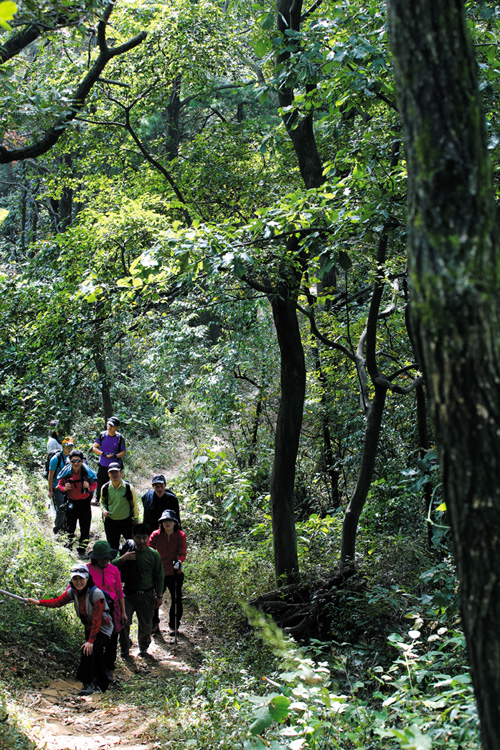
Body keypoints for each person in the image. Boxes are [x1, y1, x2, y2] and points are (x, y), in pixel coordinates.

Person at [27, 564, 114, 696]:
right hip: (89, 627)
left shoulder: (96, 594)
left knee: (90, 651)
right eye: (75, 579)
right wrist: (39, 602)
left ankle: (90, 683)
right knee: (95, 653)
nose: (78, 582)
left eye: (81, 579)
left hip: (103, 629)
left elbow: (97, 620)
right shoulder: (73, 592)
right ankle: (100, 683)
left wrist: (90, 641)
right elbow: (57, 602)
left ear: (87, 578)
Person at [112, 523, 164, 658]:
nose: (141, 541)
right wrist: (124, 558)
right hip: (127, 594)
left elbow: (159, 575)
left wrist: (159, 595)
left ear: (148, 538)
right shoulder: (126, 551)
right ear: (133, 537)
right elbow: (110, 567)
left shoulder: (153, 555)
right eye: (138, 537)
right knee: (124, 622)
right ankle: (124, 648)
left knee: (146, 625)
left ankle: (143, 649)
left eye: (144, 538)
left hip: (146, 595)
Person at [87, 540, 127, 683]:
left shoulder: (114, 570)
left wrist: (123, 612)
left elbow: (119, 591)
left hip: (112, 609)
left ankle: (109, 669)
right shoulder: (87, 570)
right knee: (94, 641)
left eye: (107, 557)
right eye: (102, 558)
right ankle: (95, 670)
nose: (105, 560)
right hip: (94, 611)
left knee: (111, 640)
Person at [148, 509, 186, 635]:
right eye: (165, 521)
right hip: (158, 573)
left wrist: (179, 561)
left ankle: (174, 625)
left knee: (176, 600)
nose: (168, 523)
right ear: (161, 523)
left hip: (175, 572)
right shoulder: (156, 535)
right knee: (155, 598)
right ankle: (154, 624)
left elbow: (182, 553)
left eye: (170, 521)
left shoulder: (180, 535)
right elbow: (149, 549)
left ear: (175, 523)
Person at [57, 450, 97, 555]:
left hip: (84, 503)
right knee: (70, 527)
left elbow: (95, 484)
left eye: (78, 461)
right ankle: (68, 547)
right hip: (71, 503)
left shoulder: (86, 473)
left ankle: (82, 550)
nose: (76, 463)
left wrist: (88, 487)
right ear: (70, 461)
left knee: (85, 527)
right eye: (73, 461)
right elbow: (59, 485)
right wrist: (64, 488)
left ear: (82, 461)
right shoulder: (66, 473)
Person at [101, 463, 139, 550]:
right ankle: (115, 563)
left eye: (116, 472)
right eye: (112, 472)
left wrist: (136, 519)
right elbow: (102, 501)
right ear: (108, 474)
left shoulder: (129, 488)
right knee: (112, 547)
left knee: (132, 546)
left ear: (121, 473)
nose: (114, 475)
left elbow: (134, 505)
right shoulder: (105, 488)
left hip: (127, 522)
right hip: (111, 522)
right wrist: (103, 510)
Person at [92, 416, 127, 504]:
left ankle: (115, 498)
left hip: (115, 466)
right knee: (100, 482)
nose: (109, 427)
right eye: (108, 424)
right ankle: (98, 498)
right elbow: (94, 447)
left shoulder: (120, 438)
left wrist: (115, 456)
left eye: (112, 425)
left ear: (117, 427)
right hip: (103, 464)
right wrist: (103, 454)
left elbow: (123, 451)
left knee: (115, 482)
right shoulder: (102, 435)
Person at [47, 436, 73, 534]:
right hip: (57, 487)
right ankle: (57, 529)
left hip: (69, 487)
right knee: (61, 508)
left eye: (71, 446)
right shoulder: (55, 459)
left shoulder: (73, 458)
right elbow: (51, 475)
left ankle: (66, 528)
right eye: (67, 446)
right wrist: (50, 490)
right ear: (63, 446)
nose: (70, 449)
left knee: (69, 508)